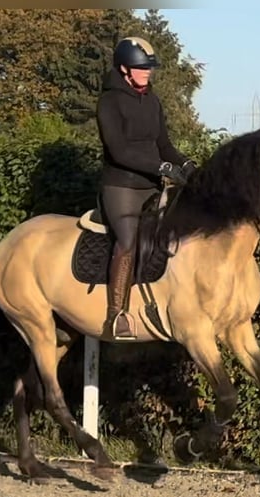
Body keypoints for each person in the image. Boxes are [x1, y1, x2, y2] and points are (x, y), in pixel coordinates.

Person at [96, 36, 196, 341]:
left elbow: (163, 145)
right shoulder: (109, 101)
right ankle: (116, 315)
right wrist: (162, 168)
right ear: (125, 69)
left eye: (149, 68)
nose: (148, 73)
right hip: (121, 186)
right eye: (142, 68)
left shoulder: (152, 100)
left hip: (152, 185)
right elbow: (119, 150)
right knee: (127, 240)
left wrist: (187, 164)